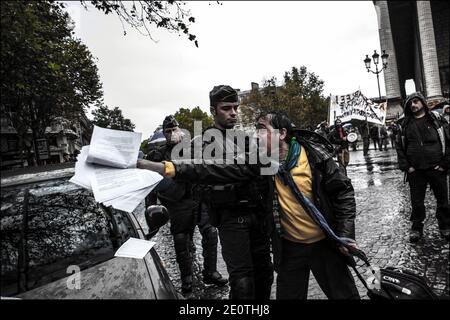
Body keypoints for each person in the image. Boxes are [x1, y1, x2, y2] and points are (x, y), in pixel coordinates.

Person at [138, 109, 361, 300]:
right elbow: (213, 168)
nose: (256, 135)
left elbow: (343, 193)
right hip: (291, 249)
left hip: (326, 244)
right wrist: (164, 168)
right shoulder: (262, 161)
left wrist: (345, 234)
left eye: (262, 129)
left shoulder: (315, 157)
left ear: (281, 134)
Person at [146, 115, 228, 296]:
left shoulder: (191, 148)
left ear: (179, 130)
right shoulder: (157, 154)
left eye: (174, 130)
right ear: (164, 134)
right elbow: (150, 183)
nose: (172, 134)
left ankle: (210, 272)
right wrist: (150, 209)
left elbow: (205, 168)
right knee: (181, 240)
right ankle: (187, 279)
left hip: (198, 198)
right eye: (168, 131)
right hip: (177, 204)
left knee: (211, 232)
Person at [395, 92, 450, 242]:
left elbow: (448, 141)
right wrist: (407, 167)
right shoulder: (404, 125)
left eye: (416, 101)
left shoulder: (436, 120)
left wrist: (445, 164)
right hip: (416, 170)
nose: (413, 105)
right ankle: (416, 229)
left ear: (423, 103)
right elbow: (399, 147)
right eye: (410, 103)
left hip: (436, 168)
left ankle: (445, 226)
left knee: (443, 200)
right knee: (417, 202)